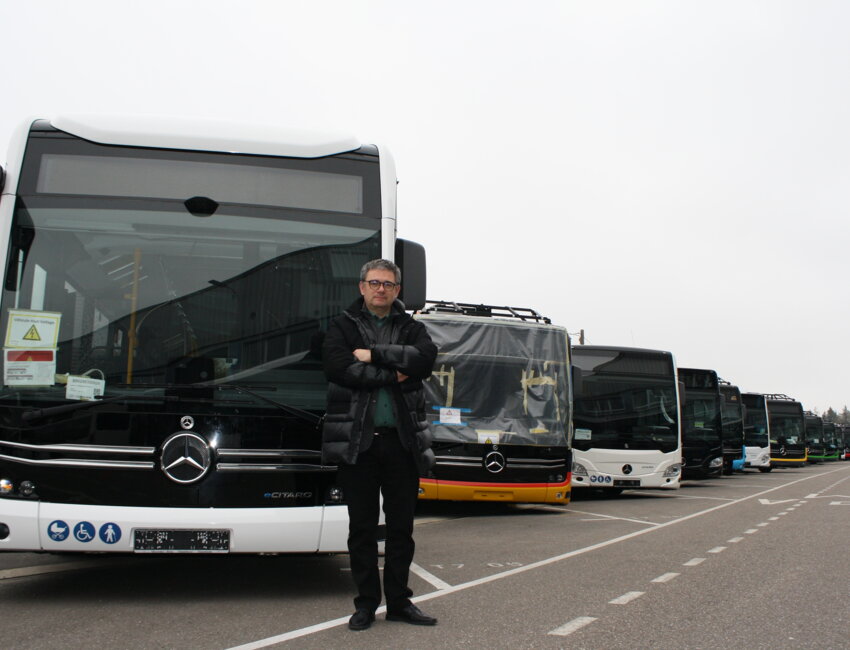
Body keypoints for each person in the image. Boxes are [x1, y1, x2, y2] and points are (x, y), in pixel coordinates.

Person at [322, 259, 438, 631]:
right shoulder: (342, 326)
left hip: (402, 444)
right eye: (374, 283)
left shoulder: (411, 326)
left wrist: (372, 355)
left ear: (397, 291)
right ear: (362, 287)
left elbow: (425, 359)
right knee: (362, 530)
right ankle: (366, 604)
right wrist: (396, 373)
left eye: (388, 284)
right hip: (359, 444)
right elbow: (340, 369)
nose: (381, 289)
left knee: (402, 529)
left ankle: (401, 603)